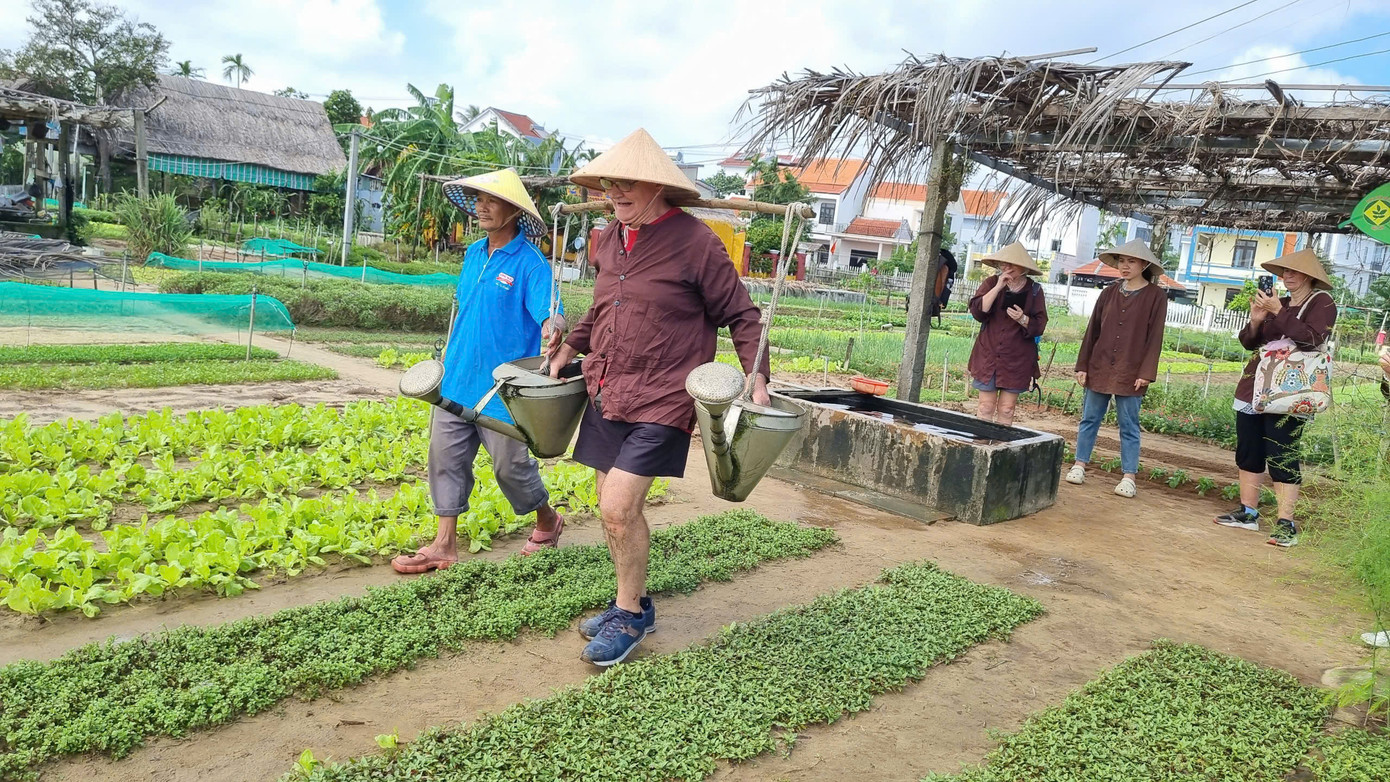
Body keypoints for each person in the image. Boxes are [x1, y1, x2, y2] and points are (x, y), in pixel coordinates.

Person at [546, 128, 771, 666]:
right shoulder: (606, 239)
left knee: (619, 508)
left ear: (657, 187)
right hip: (607, 388)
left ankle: (627, 615)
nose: (614, 192)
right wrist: (570, 346)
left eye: (626, 184)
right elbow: (602, 308)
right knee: (611, 511)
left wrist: (757, 378)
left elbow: (742, 315)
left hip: (665, 393)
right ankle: (635, 604)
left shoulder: (697, 242)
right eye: (608, 184)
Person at [390, 169, 566, 574]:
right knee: (445, 459)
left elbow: (551, 312)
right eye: (477, 200)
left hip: (502, 390)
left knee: (511, 467)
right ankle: (444, 544)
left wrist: (552, 327)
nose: (481, 207)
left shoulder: (531, 263)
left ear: (514, 211)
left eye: (491, 200)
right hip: (455, 379)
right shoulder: (472, 254)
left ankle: (547, 520)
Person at [1213, 248, 1337, 548]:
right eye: (1284, 272)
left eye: (1294, 272)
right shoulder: (1277, 302)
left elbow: (1311, 339)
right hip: (1256, 385)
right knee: (1248, 449)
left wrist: (1278, 312)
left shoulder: (1321, 303)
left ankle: (1286, 523)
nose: (1287, 276)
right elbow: (1249, 343)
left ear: (1310, 276)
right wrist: (1257, 319)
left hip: (1292, 389)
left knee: (1282, 452)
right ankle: (1248, 512)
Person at [1065, 239, 1169, 498]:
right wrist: (1082, 365)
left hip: (1131, 371)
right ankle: (1079, 464)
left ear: (1144, 264)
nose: (1125, 266)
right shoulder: (1108, 292)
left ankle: (1128, 476)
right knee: (1089, 419)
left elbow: (1155, 337)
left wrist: (1146, 372)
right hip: (1099, 365)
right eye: (1122, 261)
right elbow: (1093, 331)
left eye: (1131, 261)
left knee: (1129, 425)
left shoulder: (1156, 297)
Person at [967, 242, 1048, 427]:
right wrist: (997, 287)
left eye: (1012, 264)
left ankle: (999, 450)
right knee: (985, 407)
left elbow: (1040, 325)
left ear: (1024, 268)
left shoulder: (1035, 291)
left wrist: (1022, 319)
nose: (1007, 268)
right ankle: (981, 448)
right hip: (988, 354)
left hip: (1017, 358)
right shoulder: (990, 283)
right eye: (1004, 264)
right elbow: (978, 312)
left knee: (1007, 409)